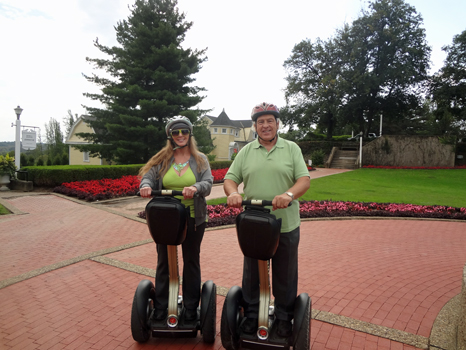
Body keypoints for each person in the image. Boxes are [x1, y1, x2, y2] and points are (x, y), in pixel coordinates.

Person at [223, 102, 310, 337]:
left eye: (270, 120)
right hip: (254, 224)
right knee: (252, 274)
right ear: (255, 126)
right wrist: (233, 192)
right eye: (260, 122)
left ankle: (283, 317)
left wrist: (288, 194)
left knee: (285, 273)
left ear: (277, 123)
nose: (265, 125)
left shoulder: (291, 148)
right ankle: (252, 315)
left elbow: (304, 180)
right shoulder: (247, 151)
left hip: (286, 223)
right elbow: (230, 178)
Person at [139, 116, 213, 321]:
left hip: (193, 218)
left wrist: (195, 188)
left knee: (191, 261)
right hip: (166, 218)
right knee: (164, 261)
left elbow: (208, 182)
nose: (180, 135)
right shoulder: (163, 158)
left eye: (184, 132)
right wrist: (145, 186)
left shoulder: (200, 159)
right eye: (176, 132)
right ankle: (162, 307)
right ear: (170, 136)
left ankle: (190, 308)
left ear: (190, 134)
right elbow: (148, 176)